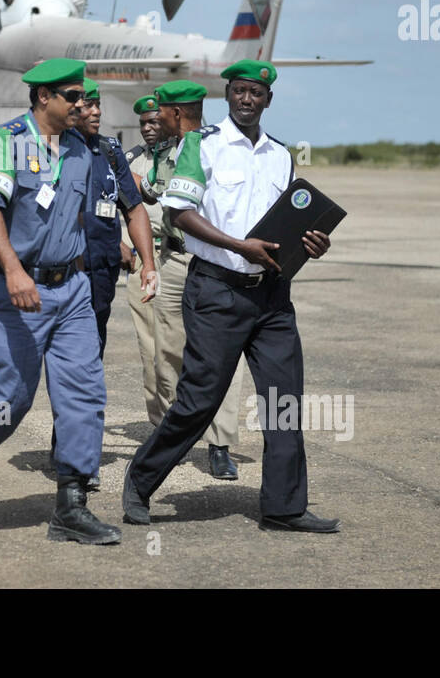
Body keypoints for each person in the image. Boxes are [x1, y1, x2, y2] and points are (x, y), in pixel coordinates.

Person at [0, 58, 156, 546]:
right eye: (73, 96)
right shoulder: (4, 141)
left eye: (84, 96)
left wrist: (128, 254)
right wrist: (12, 269)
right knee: (9, 396)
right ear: (43, 97)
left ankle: (71, 505)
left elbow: (106, 210)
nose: (82, 104)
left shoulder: (82, 149)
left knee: (84, 393)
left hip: (72, 289)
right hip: (17, 288)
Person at [122, 60, 339, 534]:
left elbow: (288, 221)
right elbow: (179, 214)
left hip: (272, 297)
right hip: (217, 290)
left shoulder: (280, 155)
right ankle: (140, 481)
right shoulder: (203, 145)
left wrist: (311, 242)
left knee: (283, 401)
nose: (247, 99)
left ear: (268, 100)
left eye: (256, 93)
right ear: (228, 95)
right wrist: (240, 247)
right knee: (199, 400)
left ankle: (284, 507)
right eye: (239, 90)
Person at [54, 78, 156, 489]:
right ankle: (75, 453)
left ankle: (76, 451)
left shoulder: (110, 151)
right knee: (71, 365)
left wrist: (148, 261)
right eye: (87, 105)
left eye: (98, 105)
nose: (95, 111)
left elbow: (134, 208)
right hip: (62, 273)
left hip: (100, 275)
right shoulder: (51, 149)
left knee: (90, 360)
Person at [144, 79, 246, 481]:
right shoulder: (165, 152)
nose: (155, 119)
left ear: (176, 112)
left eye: (161, 112)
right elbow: (153, 194)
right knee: (167, 351)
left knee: (222, 354)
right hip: (173, 260)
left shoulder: (218, 148)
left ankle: (220, 445)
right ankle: (177, 434)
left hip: (214, 262)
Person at [123, 95, 164, 424]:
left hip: (181, 254)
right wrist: (119, 244)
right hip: (141, 260)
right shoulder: (130, 159)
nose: (148, 128)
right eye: (143, 124)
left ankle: (198, 426)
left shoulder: (189, 155)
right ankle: (160, 423)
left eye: (154, 122)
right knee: (149, 347)